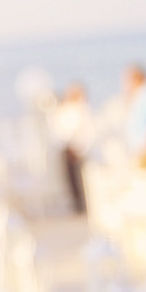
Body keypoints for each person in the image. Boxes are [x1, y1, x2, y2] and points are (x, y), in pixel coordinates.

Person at [51, 81, 93, 216]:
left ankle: (82, 204)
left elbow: (80, 131)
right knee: (71, 180)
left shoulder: (80, 109)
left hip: (77, 149)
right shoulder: (68, 109)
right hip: (68, 147)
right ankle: (78, 204)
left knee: (79, 179)